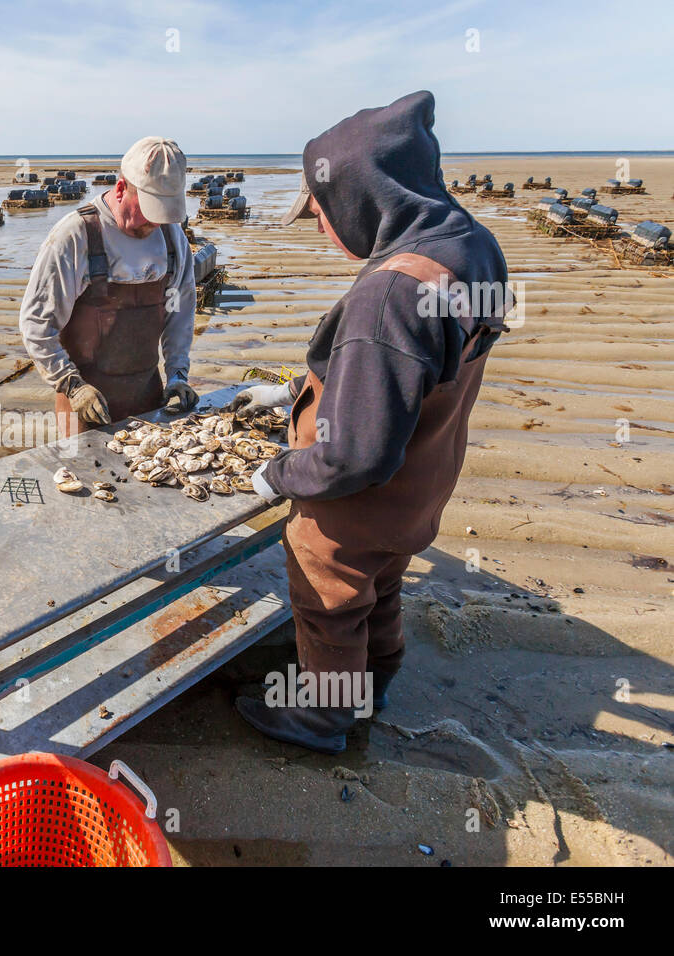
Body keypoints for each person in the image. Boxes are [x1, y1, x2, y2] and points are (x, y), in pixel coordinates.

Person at [232, 91, 511, 753]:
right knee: (381, 582)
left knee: (330, 597)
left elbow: (354, 455)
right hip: (424, 483)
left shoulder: (388, 295)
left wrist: (277, 475)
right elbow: (411, 373)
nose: (322, 231)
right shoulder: (472, 247)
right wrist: (293, 390)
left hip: (361, 499)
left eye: (321, 214)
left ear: (359, 198)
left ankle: (323, 718)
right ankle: (377, 680)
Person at [19, 136, 198, 437]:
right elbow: (36, 325)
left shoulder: (172, 239)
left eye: (162, 214)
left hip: (148, 397)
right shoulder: (76, 236)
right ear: (120, 188)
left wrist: (178, 375)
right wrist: (71, 386)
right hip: (85, 407)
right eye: (148, 210)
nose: (153, 224)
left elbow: (180, 315)